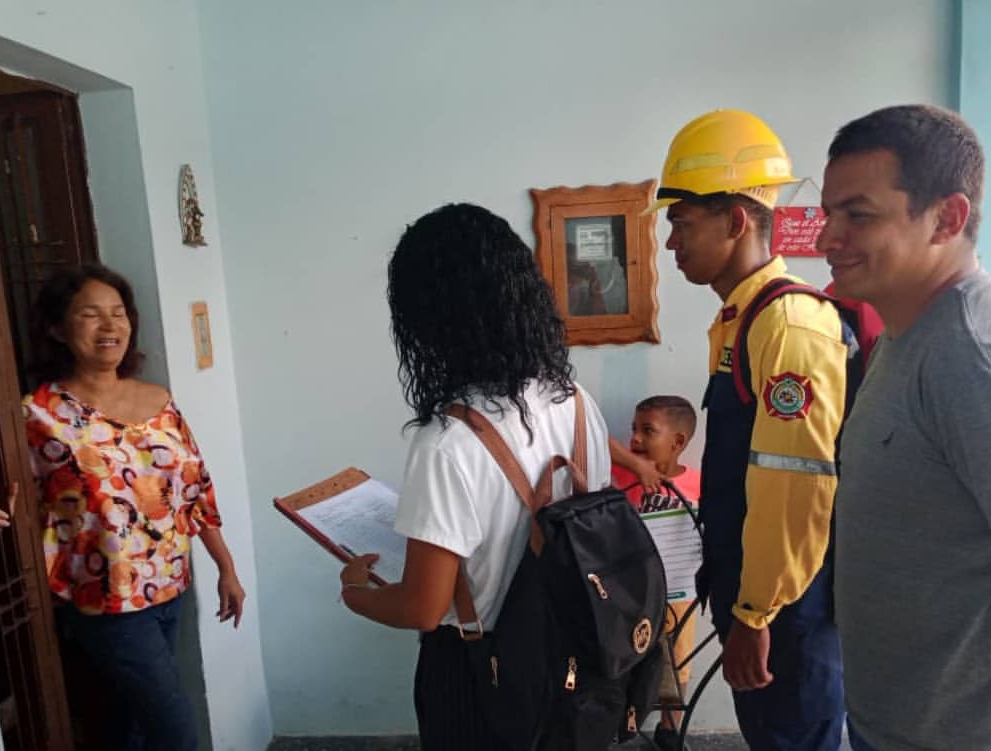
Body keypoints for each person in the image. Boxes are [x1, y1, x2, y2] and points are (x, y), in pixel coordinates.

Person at [338, 203, 611, 750]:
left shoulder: (446, 442)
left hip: (481, 671)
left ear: (427, 321)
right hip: (577, 649)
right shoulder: (575, 400)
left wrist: (354, 593)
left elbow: (422, 607)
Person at [643, 110, 848, 750]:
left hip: (788, 610)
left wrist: (757, 615)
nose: (670, 243)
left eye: (681, 223)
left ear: (735, 221)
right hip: (760, 599)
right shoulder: (743, 318)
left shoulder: (787, 325)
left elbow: (796, 488)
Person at [818, 104, 991, 751]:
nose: (826, 238)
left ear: (946, 219)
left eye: (858, 216)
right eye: (829, 213)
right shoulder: (906, 332)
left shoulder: (970, 356)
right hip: (890, 722)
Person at [22, 264, 246, 751]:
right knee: (173, 725)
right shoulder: (37, 414)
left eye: (119, 313)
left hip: (171, 585)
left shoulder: (159, 400)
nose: (110, 325)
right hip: (107, 600)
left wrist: (225, 567)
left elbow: (195, 490)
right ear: (57, 328)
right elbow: (16, 490)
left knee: (128, 725)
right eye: (90, 314)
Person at [610, 395, 700, 749]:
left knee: (676, 660)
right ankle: (616, 719)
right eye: (634, 428)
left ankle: (669, 728)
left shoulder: (696, 484)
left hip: (677, 594)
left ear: (678, 441)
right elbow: (593, 438)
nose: (635, 438)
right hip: (627, 592)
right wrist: (636, 465)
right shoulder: (621, 474)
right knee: (622, 654)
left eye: (648, 431)